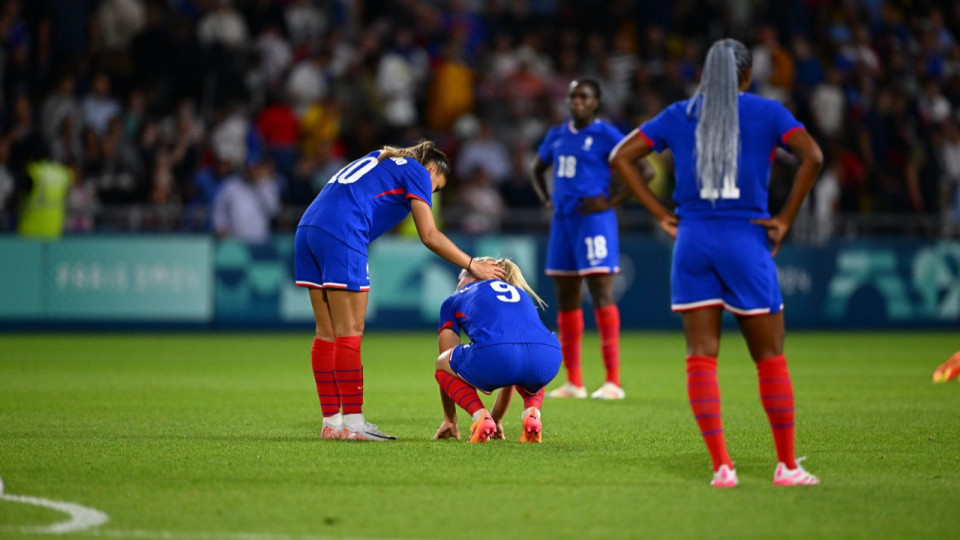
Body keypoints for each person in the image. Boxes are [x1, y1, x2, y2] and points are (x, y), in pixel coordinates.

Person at [609, 39, 824, 487]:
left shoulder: (679, 114)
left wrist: (661, 212)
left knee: (701, 358)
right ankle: (786, 466)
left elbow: (621, 157)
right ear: (746, 75)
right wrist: (784, 219)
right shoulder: (767, 113)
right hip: (746, 240)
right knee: (769, 358)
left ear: (706, 73)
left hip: (693, 242)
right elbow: (813, 156)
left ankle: (722, 467)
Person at [295, 140, 505, 441]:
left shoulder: (380, 159)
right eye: (435, 187)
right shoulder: (418, 172)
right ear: (432, 169)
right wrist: (473, 264)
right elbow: (429, 235)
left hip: (307, 229)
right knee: (350, 330)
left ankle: (332, 422)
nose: (429, 193)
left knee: (326, 331)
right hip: (343, 230)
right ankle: (353, 423)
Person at [532, 78, 652, 400]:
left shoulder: (607, 134)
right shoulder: (557, 134)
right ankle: (575, 382)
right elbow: (537, 169)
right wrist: (547, 200)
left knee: (600, 291)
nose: (577, 102)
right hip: (563, 223)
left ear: (596, 102)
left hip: (595, 222)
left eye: (584, 97)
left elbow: (647, 170)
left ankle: (613, 381)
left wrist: (610, 201)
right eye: (573, 96)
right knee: (567, 297)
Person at [431, 257, 561, 443]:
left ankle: (481, 417)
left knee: (443, 363)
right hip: (549, 355)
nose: (458, 285)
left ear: (472, 277)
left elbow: (446, 357)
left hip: (497, 355)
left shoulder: (454, 299)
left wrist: (450, 420)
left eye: (459, 279)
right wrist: (498, 418)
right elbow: (512, 366)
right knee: (527, 360)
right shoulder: (519, 293)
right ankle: (532, 413)